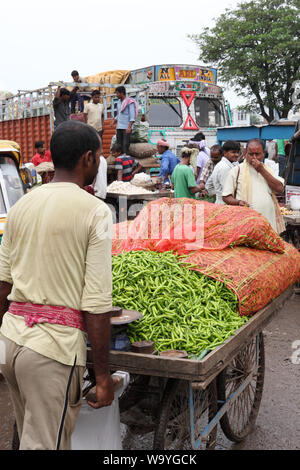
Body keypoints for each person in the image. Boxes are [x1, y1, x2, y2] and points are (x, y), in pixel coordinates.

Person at [0, 120, 114, 450]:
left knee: (32, 439)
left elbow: (3, 282)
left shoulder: (22, 204)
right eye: (100, 157)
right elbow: (96, 301)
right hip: (51, 351)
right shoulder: (94, 211)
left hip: (11, 343)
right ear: (88, 158)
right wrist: (103, 377)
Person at [222, 138, 285, 233]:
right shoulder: (236, 171)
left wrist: (261, 170)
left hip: (268, 223)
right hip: (245, 224)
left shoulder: (269, 169)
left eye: (258, 154)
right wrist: (238, 202)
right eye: (251, 154)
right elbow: (226, 196)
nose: (254, 157)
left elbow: (280, 189)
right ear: (245, 153)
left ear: (263, 153)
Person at [205, 140, 240, 204]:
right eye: (233, 152)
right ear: (225, 152)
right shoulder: (225, 167)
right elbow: (228, 190)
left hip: (222, 202)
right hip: (226, 204)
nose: (237, 155)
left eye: (238, 152)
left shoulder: (227, 164)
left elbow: (208, 185)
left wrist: (218, 195)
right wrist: (219, 195)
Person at [110, 86, 138, 154]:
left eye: (117, 93)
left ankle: (125, 159)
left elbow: (132, 116)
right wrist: (113, 122)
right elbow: (119, 114)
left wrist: (129, 127)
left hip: (126, 127)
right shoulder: (118, 102)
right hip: (119, 127)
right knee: (119, 145)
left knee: (125, 145)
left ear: (122, 93)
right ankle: (120, 160)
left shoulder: (130, 102)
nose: (116, 95)